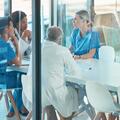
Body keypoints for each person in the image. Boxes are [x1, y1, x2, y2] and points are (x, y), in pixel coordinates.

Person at [42, 26, 82, 120]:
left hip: (37, 91)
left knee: (48, 96)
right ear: (59, 39)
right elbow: (75, 72)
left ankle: (53, 117)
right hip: (54, 92)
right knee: (76, 91)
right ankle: (67, 117)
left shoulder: (38, 48)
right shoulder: (62, 50)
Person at [0, 16, 29, 117]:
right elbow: (18, 63)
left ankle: (15, 109)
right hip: (3, 81)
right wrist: (17, 43)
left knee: (19, 76)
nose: (14, 29)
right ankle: (20, 108)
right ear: (7, 29)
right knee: (25, 78)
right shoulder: (5, 45)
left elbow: (8, 61)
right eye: (12, 26)